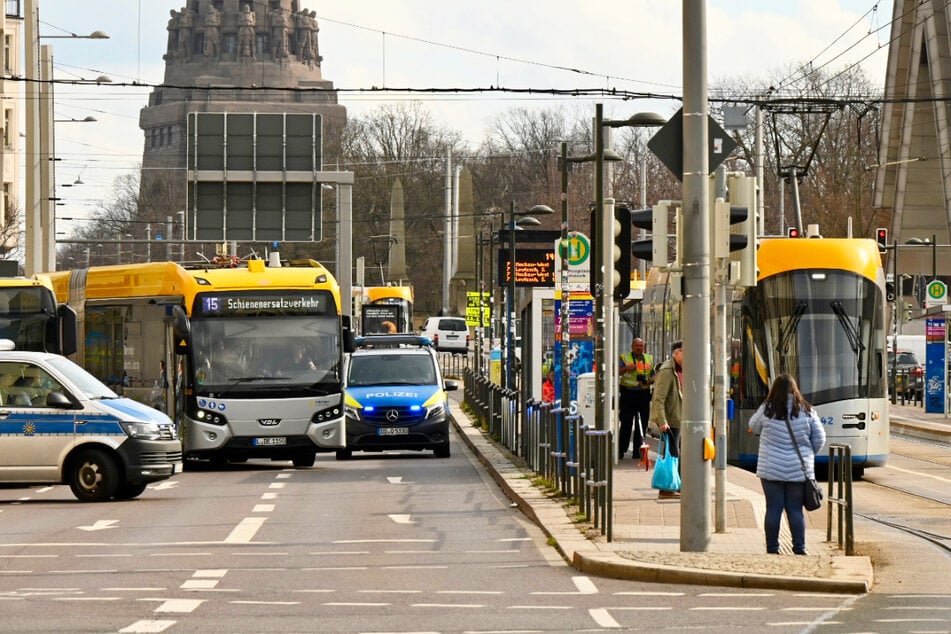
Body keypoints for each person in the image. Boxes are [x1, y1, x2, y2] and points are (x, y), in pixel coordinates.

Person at [748, 373, 826, 555]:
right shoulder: (807, 410)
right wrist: (808, 453)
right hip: (799, 470)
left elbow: (753, 426)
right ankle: (800, 548)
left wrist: (765, 407)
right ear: (795, 389)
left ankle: (772, 549)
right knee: (795, 509)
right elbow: (820, 438)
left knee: (773, 508)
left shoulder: (767, 409)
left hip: (771, 469)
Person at [649, 339, 683, 498]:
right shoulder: (667, 371)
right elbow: (659, 398)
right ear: (677, 353)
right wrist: (662, 422)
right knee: (671, 454)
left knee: (678, 454)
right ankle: (666, 489)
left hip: (682, 418)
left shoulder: (683, 369)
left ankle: (677, 485)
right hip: (671, 420)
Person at [617, 337, 654, 463]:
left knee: (642, 424)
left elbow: (654, 375)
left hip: (643, 394)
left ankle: (638, 452)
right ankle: (621, 450)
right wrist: (627, 368)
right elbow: (615, 372)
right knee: (626, 423)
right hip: (628, 394)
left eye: (641, 345)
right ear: (632, 346)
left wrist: (650, 380)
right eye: (637, 345)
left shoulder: (649, 358)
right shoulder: (624, 358)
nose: (639, 348)